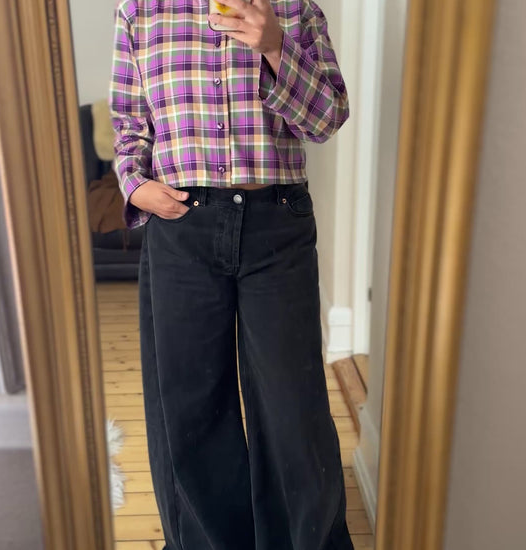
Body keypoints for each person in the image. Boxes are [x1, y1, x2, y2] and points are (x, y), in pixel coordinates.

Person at [109, 1, 353, 548]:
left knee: (293, 408)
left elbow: (328, 118)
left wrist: (275, 47)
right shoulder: (140, 12)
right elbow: (128, 122)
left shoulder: (293, 9)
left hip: (277, 226)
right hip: (182, 226)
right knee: (192, 405)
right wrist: (134, 183)